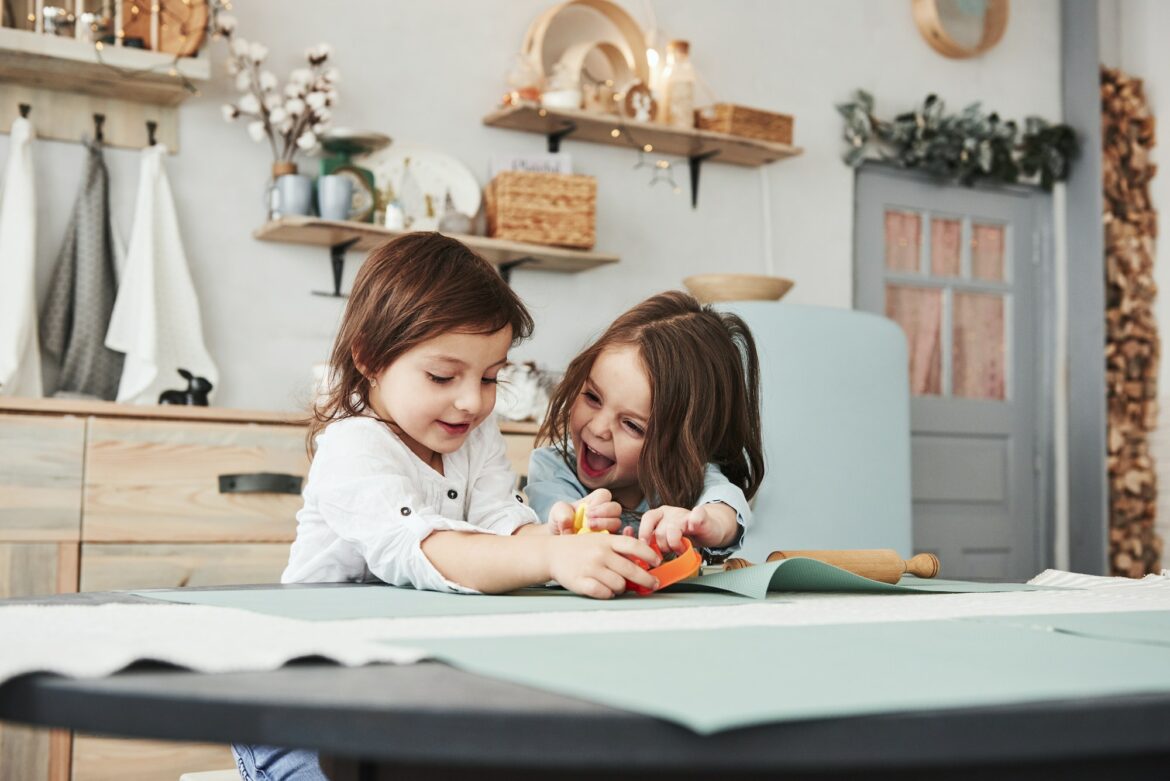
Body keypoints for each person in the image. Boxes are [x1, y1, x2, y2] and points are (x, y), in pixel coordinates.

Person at [233, 233, 658, 781]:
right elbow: (423, 550)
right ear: (369, 356)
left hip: (395, 692)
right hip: (296, 705)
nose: (472, 401)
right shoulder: (352, 448)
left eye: (489, 378)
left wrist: (562, 545)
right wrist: (551, 560)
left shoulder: (472, 434)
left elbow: (501, 522)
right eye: (442, 376)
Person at [526, 290, 765, 561]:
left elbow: (726, 506)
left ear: (680, 444)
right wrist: (576, 518)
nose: (599, 428)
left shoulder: (685, 476)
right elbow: (554, 517)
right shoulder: (553, 467)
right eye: (592, 397)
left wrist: (704, 523)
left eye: (632, 425)